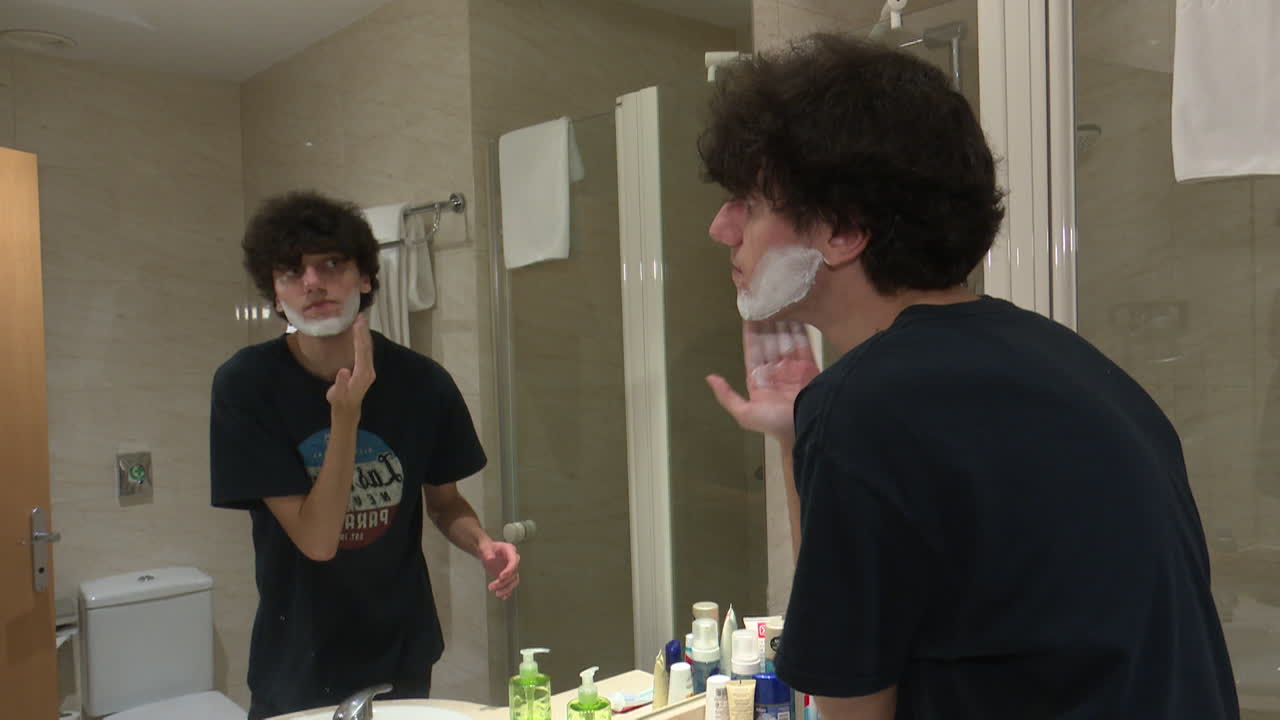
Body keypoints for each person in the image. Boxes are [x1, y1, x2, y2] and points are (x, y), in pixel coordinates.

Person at [700, 33, 1238, 720]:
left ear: (843, 231)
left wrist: (822, 420)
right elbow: (852, 627)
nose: (721, 227)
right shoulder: (1072, 367)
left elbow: (851, 706)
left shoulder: (870, 407)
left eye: (750, 202)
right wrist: (793, 433)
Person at [210, 191, 520, 719]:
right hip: (297, 657)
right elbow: (317, 540)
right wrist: (346, 417)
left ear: (367, 278)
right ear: (276, 295)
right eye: (292, 272)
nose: (313, 282)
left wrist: (481, 542)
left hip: (401, 647)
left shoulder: (423, 384)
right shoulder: (247, 386)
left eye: (331, 263)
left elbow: (445, 504)